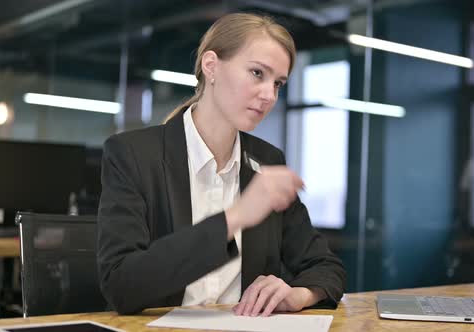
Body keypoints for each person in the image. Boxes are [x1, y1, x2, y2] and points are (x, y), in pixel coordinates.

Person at [97, 12, 346, 316]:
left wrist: (299, 294)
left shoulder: (267, 162)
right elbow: (121, 285)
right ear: (211, 66)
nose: (269, 95)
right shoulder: (134, 155)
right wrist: (236, 217)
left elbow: (325, 266)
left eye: (278, 83)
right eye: (257, 73)